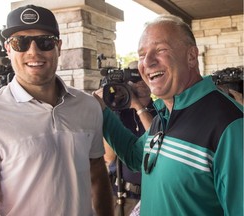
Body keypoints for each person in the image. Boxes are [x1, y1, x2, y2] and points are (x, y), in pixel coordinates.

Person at [0, 4, 113, 216]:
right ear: (8, 49)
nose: (33, 51)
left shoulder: (88, 106)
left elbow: (97, 172)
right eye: (20, 42)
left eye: (44, 41)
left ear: (59, 46)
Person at [93, 14, 243, 215]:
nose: (147, 62)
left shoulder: (230, 123)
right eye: (141, 54)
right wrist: (102, 110)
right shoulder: (165, 112)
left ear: (191, 56)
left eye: (161, 50)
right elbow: (135, 156)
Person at [102, 61, 156, 216]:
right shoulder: (117, 113)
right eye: (134, 77)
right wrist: (110, 104)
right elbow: (109, 157)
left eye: (144, 76)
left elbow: (158, 139)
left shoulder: (161, 110)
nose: (140, 82)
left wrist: (138, 106)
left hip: (151, 193)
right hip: (121, 195)